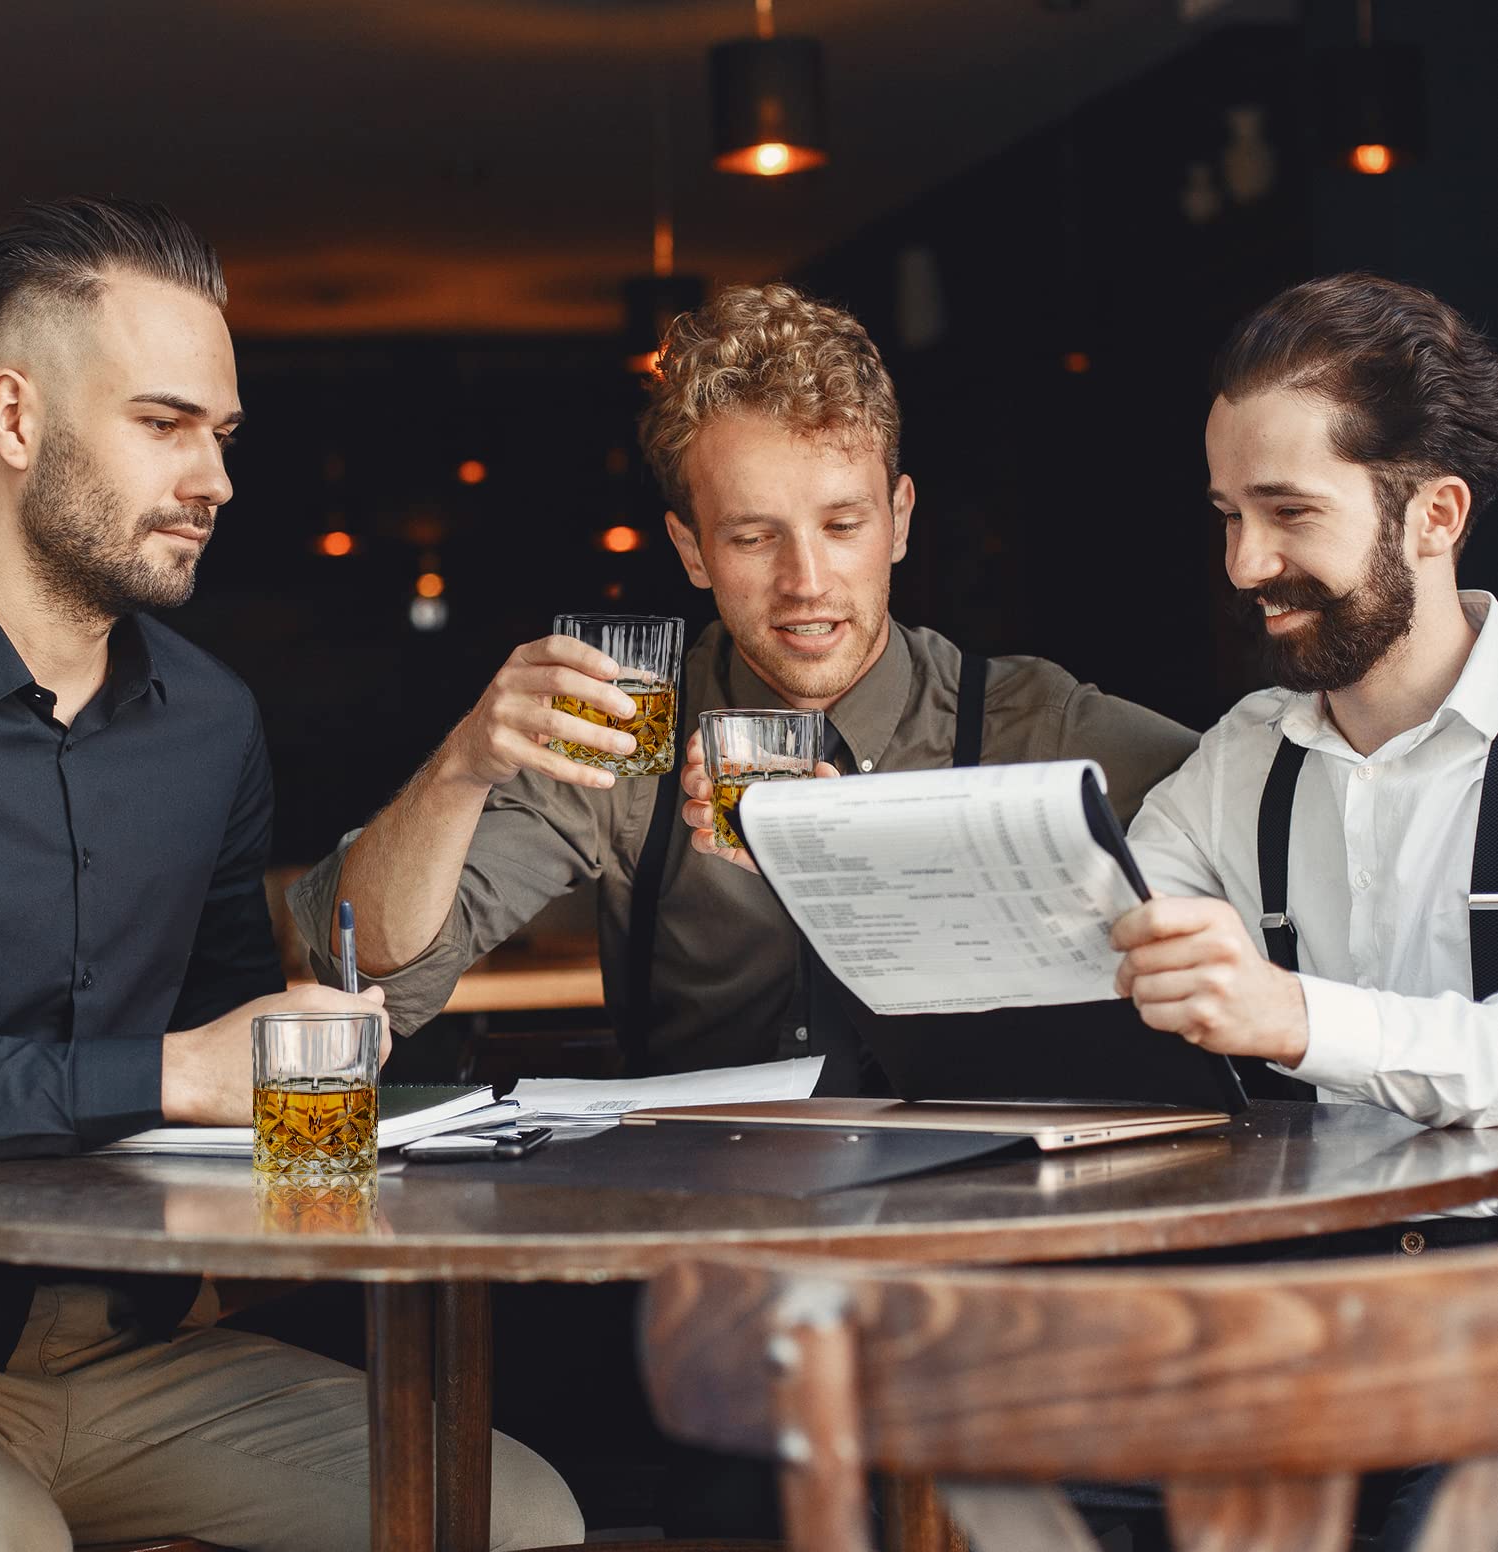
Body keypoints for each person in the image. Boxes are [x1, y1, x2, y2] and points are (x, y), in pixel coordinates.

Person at [0, 195, 581, 1552]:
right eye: (164, 423)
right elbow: (185, 1069)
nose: (214, 475)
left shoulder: (212, 721)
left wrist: (316, 1060)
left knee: (521, 1522)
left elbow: (233, 1041)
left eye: (222, 432)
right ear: (15, 420)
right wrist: (170, 1072)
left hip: (147, 1357)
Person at [290, 283, 1197, 1083]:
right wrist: (461, 765)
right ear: (690, 549)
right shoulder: (624, 728)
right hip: (704, 1235)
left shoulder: (1033, 723)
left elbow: (1276, 845)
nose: (805, 582)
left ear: (900, 520)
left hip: (967, 1233)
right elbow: (360, 972)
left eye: (842, 524)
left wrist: (850, 858)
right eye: (753, 537)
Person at [1118, 271, 1498, 1138]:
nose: (1244, 565)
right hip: (1305, 1264)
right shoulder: (1238, 762)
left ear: (1433, 516)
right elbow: (1090, 944)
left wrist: (1296, 1017)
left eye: (1289, 510)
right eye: (1229, 516)